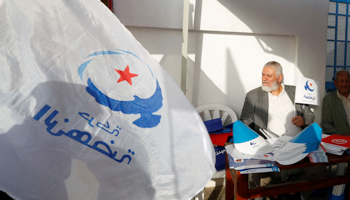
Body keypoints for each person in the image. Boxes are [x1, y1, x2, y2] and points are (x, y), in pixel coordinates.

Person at [240, 61, 320, 200]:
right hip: (270, 148)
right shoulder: (253, 96)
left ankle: (292, 188)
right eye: (263, 75)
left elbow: (309, 114)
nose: (264, 78)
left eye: (268, 75)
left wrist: (304, 120)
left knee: (319, 170)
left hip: (298, 145)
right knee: (261, 177)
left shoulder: (295, 92)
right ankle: (277, 192)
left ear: (279, 78)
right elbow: (244, 123)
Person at [321, 70, 350, 135]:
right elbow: (326, 124)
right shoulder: (328, 99)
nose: (344, 84)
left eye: (347, 81)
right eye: (341, 81)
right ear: (335, 83)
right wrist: (342, 137)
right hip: (341, 141)